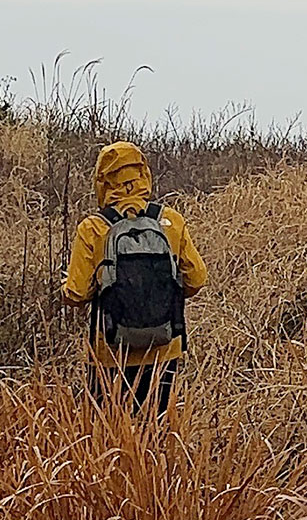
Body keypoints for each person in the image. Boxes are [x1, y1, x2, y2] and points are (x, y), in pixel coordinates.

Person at [62, 140, 207, 415]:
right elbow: (197, 279)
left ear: (102, 180)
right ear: (144, 175)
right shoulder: (171, 221)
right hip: (164, 349)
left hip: (109, 355)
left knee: (109, 437)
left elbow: (76, 294)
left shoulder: (93, 228)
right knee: (157, 433)